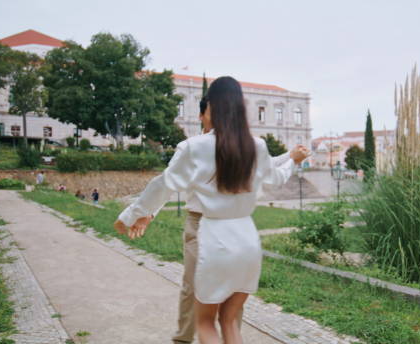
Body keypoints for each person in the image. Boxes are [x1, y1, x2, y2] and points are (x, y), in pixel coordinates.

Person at [114, 76, 309, 344]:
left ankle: (182, 339)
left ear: (211, 109)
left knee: (203, 315)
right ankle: (184, 337)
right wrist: (292, 160)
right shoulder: (256, 145)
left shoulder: (194, 148)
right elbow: (272, 175)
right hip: (246, 237)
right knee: (229, 321)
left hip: (209, 231)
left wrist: (131, 215)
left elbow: (164, 184)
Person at [170, 96, 292, 344]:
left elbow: (265, 167)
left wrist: (290, 156)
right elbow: (167, 182)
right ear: (202, 115)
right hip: (200, 223)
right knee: (193, 286)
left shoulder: (241, 148)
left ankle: (228, 335)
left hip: (231, 225)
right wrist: (146, 212)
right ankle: (183, 338)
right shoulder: (192, 147)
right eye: (214, 111)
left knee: (233, 290)